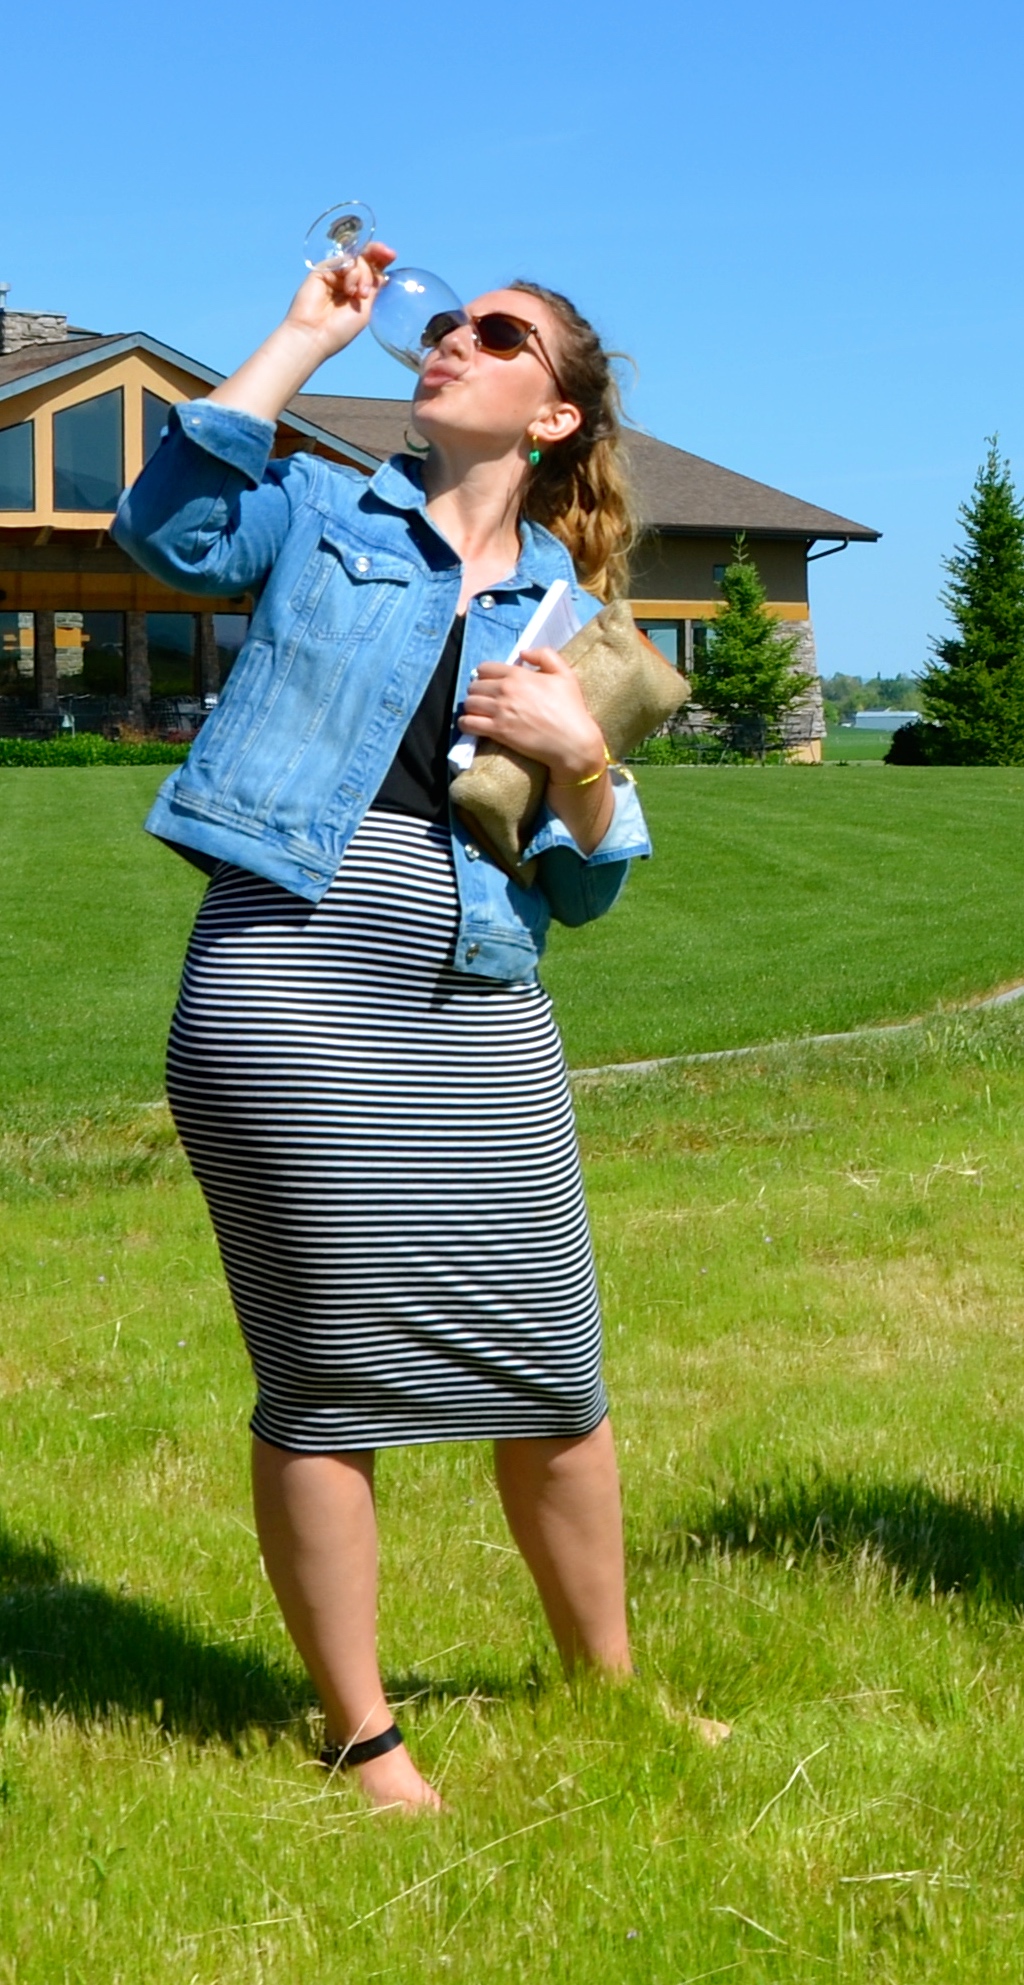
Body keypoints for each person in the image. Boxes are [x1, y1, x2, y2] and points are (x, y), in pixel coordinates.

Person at [115, 245, 651, 1808]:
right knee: (326, 1375)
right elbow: (168, 528)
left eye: (497, 334)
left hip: (478, 990)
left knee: (553, 1368)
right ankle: (364, 1733)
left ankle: (611, 1690)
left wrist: (578, 756)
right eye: (448, 324)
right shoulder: (317, 513)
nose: (452, 338)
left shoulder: (580, 617)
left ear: (551, 415)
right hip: (286, 979)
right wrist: (300, 336)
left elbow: (590, 883)